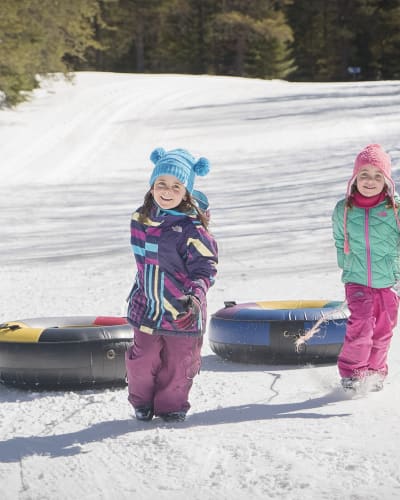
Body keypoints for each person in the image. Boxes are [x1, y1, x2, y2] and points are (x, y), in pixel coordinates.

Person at [125, 147, 218, 422]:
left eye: (176, 186)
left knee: (179, 364)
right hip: (147, 306)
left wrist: (196, 295)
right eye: (162, 184)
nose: (167, 191)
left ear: (186, 191)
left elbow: (205, 268)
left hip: (183, 309)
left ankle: (171, 407)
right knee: (143, 359)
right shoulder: (139, 219)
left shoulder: (192, 229)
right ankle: (141, 403)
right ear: (152, 185)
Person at [332, 143, 400, 392]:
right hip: (357, 279)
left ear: (386, 181)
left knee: (383, 331)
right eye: (364, 175)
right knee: (361, 324)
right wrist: (346, 263)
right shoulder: (344, 209)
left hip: (389, 282)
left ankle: (374, 372)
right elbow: (340, 240)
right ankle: (352, 372)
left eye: (377, 176)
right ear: (354, 178)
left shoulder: (395, 210)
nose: (370, 181)